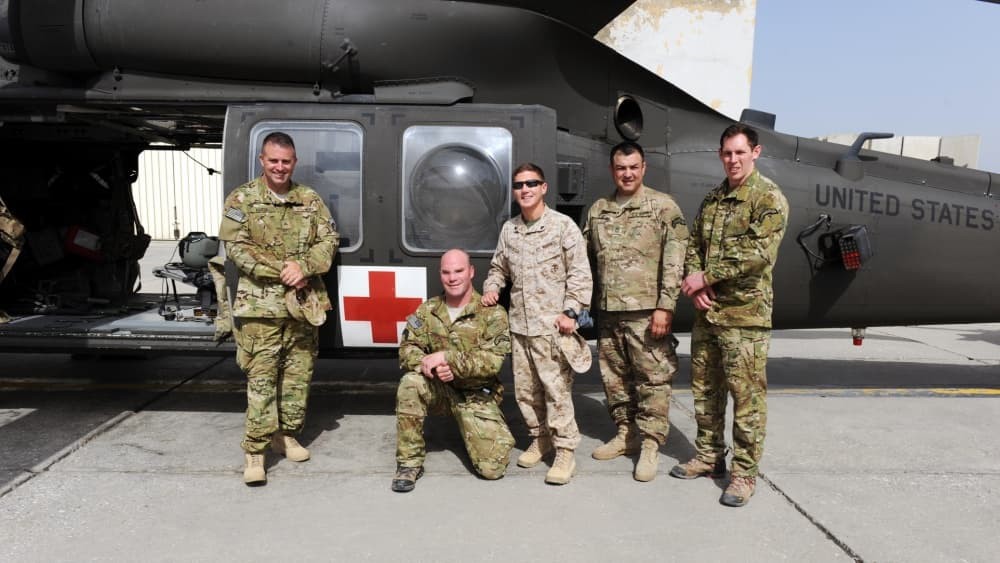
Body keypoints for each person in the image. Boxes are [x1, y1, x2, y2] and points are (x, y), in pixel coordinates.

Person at [670, 123, 789, 508]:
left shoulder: (768, 198)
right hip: (709, 314)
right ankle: (709, 456)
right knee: (705, 390)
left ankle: (743, 473)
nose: (733, 160)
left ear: (756, 152)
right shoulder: (713, 199)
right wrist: (697, 283)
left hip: (745, 316)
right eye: (727, 153)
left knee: (747, 398)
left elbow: (759, 253)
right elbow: (694, 246)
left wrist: (708, 276)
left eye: (740, 152)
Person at [218, 132, 339, 486]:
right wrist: (283, 271)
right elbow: (237, 248)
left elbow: (328, 241)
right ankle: (255, 451)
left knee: (297, 378)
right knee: (261, 379)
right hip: (261, 309)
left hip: (302, 308)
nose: (280, 167)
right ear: (262, 161)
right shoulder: (242, 198)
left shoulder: (309, 200)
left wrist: (305, 266)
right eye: (273, 160)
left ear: (294, 162)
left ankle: (285, 435)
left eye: (286, 161)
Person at [582, 141, 689, 482]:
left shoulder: (662, 208)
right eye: (620, 167)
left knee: (652, 380)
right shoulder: (599, 209)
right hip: (609, 311)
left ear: (643, 168)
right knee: (614, 380)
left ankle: (651, 444)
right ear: (612, 170)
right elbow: (584, 259)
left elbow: (675, 261)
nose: (626, 173)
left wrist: (665, 307)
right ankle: (626, 433)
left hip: (647, 313)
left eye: (633, 167)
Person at [482, 163, 592, 485]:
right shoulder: (509, 230)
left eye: (532, 183)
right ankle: (540, 438)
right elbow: (498, 268)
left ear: (544, 188)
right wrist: (492, 287)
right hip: (520, 328)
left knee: (557, 392)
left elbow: (581, 275)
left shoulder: (563, 227)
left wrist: (571, 312)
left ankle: (565, 450)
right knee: (526, 394)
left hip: (552, 329)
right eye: (519, 185)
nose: (525, 189)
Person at [392, 249, 514, 493]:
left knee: (492, 469)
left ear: (471, 272)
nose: (452, 277)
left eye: (458, 271)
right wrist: (432, 366)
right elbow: (407, 350)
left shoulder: (492, 313)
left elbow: (492, 362)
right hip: (439, 389)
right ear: (440, 275)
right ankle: (409, 463)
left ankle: (477, 427)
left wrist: (448, 359)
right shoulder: (427, 311)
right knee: (410, 382)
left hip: (476, 394)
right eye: (446, 272)